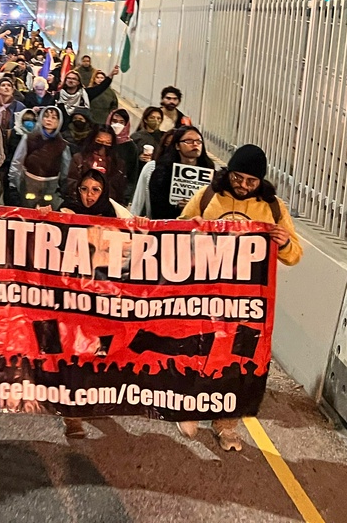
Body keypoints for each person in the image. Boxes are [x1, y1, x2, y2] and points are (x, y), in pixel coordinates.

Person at [177, 144, 302, 451]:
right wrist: (192, 231)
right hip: (205, 296)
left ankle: (226, 425)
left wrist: (284, 242)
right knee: (198, 353)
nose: (243, 186)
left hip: (245, 304)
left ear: (261, 182)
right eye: (238, 178)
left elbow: (295, 255)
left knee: (234, 362)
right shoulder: (208, 197)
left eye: (251, 181)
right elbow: (178, 230)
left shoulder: (273, 208)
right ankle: (190, 407)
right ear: (228, 172)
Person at [131, 124, 215, 219]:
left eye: (198, 141)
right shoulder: (162, 172)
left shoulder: (211, 172)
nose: (195, 144)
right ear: (177, 146)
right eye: (188, 141)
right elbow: (157, 208)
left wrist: (194, 207)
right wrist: (178, 207)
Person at [9, 106, 71, 208]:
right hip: (29, 183)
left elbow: (65, 171)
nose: (49, 120)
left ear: (59, 122)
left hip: (51, 186)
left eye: (54, 117)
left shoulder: (63, 145)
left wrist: (64, 189)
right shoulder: (29, 138)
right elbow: (17, 162)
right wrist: (13, 186)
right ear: (41, 118)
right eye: (46, 116)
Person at [66, 123, 130, 206]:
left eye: (107, 143)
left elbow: (120, 189)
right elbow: (71, 183)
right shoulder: (79, 159)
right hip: (81, 204)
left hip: (108, 207)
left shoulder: (118, 164)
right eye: (99, 141)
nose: (103, 146)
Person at [107, 108, 141, 201]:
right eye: (114, 121)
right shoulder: (102, 140)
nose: (117, 125)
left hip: (118, 197)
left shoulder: (131, 147)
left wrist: (125, 199)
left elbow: (132, 177)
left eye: (121, 122)